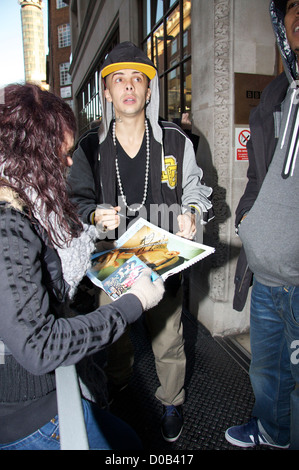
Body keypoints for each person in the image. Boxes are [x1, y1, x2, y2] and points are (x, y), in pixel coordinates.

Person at [0, 83, 165, 450]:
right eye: (65, 151)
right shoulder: (8, 228)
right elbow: (39, 345)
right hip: (33, 416)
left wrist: (100, 244)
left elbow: (52, 265)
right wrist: (133, 302)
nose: (70, 161)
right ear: (37, 151)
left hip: (54, 388)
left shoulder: (26, 203)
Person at [67, 41, 213, 442]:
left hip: (163, 258)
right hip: (111, 262)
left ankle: (171, 402)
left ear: (149, 90)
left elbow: (196, 189)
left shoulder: (175, 140)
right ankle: (119, 387)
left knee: (168, 338)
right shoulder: (89, 146)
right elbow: (74, 202)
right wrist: (94, 215)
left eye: (138, 79)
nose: (129, 87)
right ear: (107, 92)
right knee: (113, 338)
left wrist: (193, 214)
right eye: (119, 80)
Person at [225, 0, 299, 450]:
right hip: (266, 279)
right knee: (265, 370)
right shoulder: (274, 95)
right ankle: (270, 431)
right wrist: (247, 220)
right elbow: (256, 173)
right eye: (292, 5)